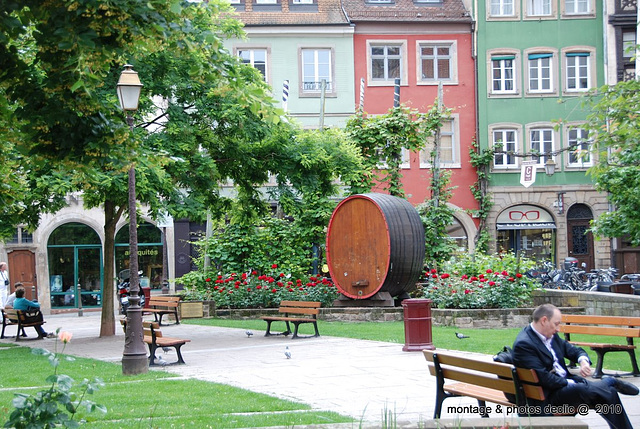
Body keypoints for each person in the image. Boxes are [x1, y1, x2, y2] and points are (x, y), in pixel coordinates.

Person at [513, 303, 638, 429]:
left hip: (561, 388)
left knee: (607, 392)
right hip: (546, 396)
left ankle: (608, 385)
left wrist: (582, 360)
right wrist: (572, 382)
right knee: (586, 389)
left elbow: (572, 350)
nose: (558, 329)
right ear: (544, 320)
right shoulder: (525, 344)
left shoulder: (550, 335)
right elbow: (545, 379)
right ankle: (609, 381)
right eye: (556, 324)